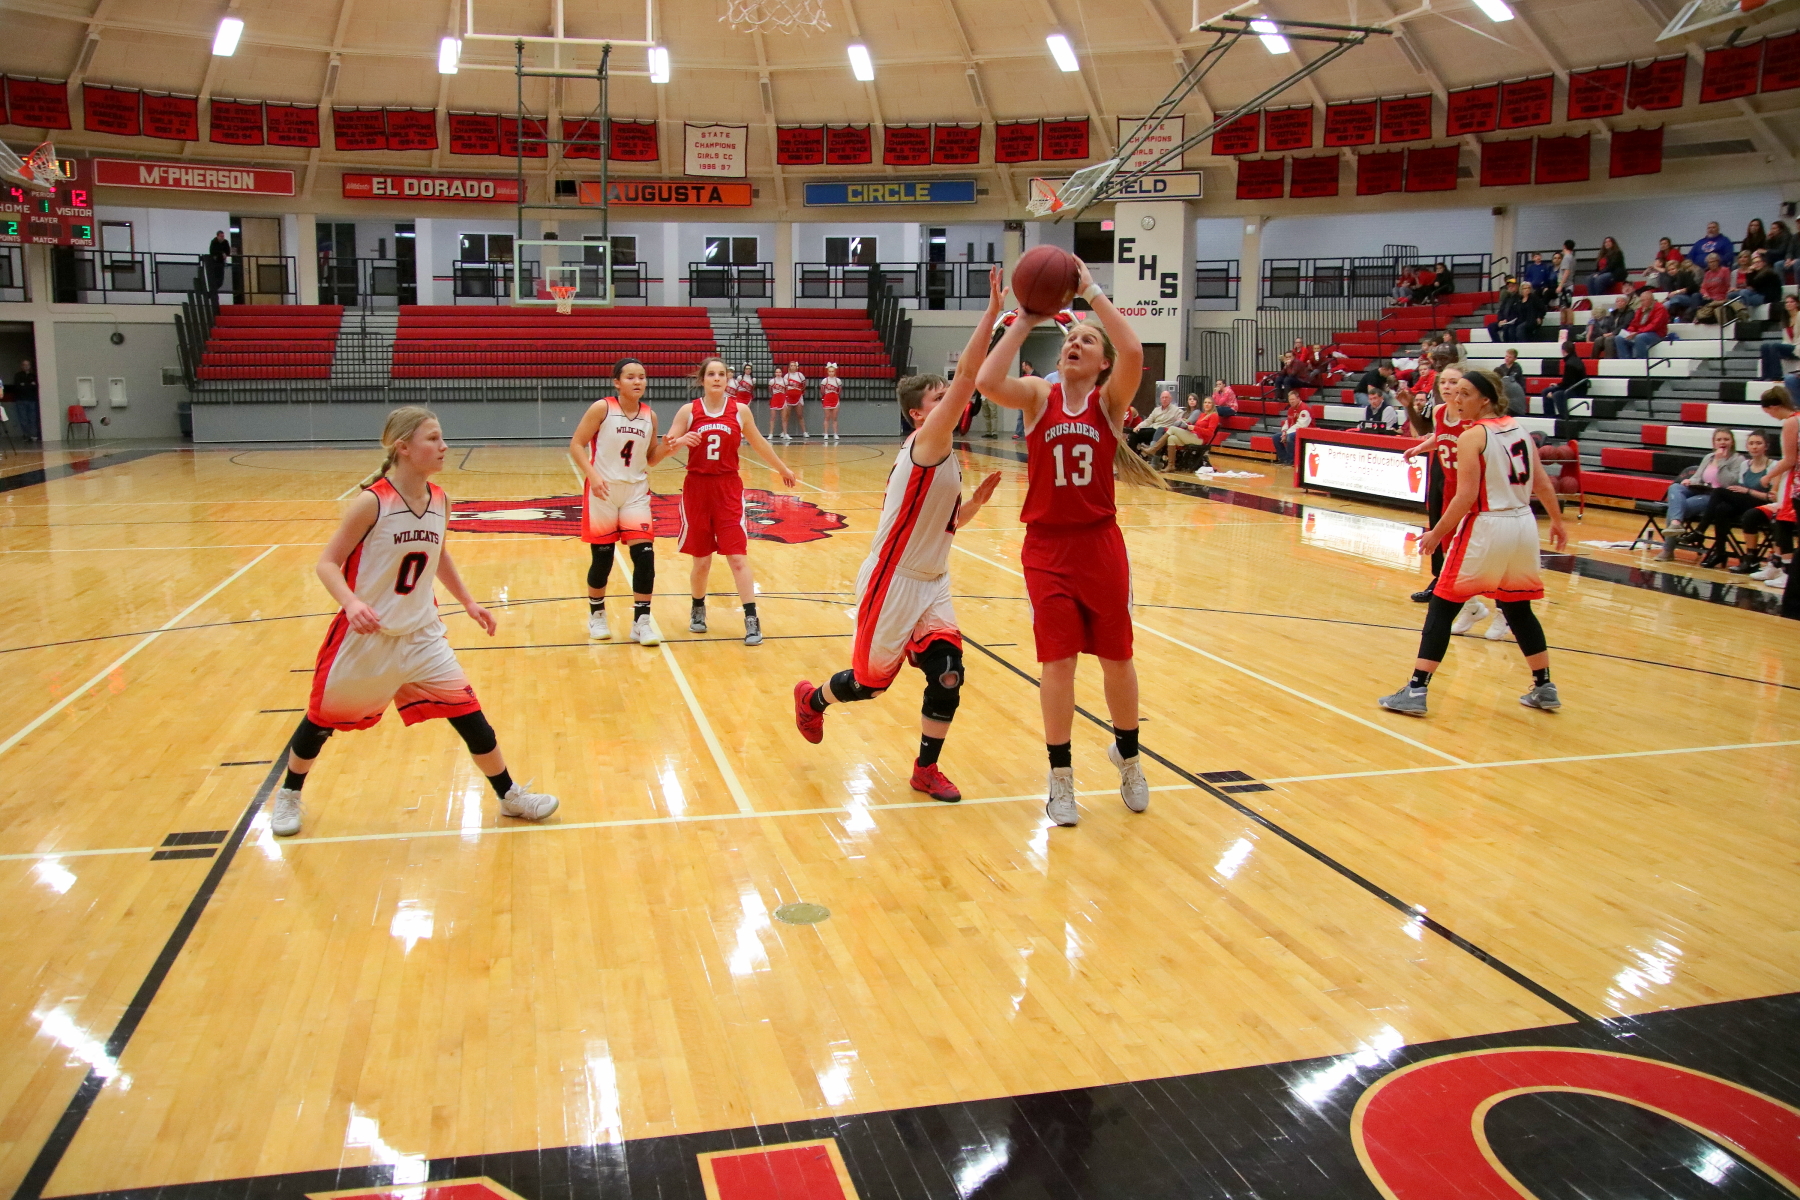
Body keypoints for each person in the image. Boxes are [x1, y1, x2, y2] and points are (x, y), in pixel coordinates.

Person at [271, 407, 558, 837]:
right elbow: (328, 563)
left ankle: (510, 796)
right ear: (402, 447)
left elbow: (439, 553)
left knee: (469, 713)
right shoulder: (372, 502)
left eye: (442, 438)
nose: (444, 447)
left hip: (423, 633)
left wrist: (468, 602)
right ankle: (289, 794)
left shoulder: (440, 498)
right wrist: (350, 604)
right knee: (322, 718)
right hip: (369, 635)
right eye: (433, 439)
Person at [792, 269, 1005, 802]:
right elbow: (970, 379)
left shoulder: (946, 456)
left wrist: (973, 506)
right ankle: (813, 699)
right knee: (869, 684)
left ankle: (925, 769)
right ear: (917, 413)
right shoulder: (925, 445)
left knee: (949, 675)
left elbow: (945, 528)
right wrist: (996, 316)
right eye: (938, 398)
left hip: (933, 580)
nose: (948, 404)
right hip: (893, 581)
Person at [976, 258, 1168, 829]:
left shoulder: (1110, 405)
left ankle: (1129, 758)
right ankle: (1061, 780)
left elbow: (1134, 353)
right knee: (1057, 663)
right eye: (1072, 339)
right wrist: (1024, 319)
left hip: (1100, 544)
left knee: (1117, 659)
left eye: (1088, 340)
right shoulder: (1039, 396)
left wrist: (1091, 293)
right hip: (1048, 548)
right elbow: (986, 382)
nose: (1077, 344)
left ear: (1101, 362)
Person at [1379, 368, 1568, 716]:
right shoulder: (1519, 429)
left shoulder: (1473, 436)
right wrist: (1556, 521)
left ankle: (1416, 690)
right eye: (1454, 392)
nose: (1456, 399)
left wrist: (1437, 533)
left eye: (1465, 393)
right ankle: (1544, 685)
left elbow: (1465, 497)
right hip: (1523, 527)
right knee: (1516, 606)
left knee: (1441, 605)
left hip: (1487, 525)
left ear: (1486, 399)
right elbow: (1541, 482)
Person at [663, 357, 799, 646]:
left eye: (721, 374)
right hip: (697, 489)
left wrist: (782, 468)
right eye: (711, 374)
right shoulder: (689, 411)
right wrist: (678, 441)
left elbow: (760, 443)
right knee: (701, 561)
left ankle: (751, 618)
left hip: (727, 489)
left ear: (728, 380)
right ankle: (698, 608)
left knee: (737, 556)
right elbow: (667, 444)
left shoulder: (740, 411)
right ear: (702, 379)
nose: (716, 378)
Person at [570, 359, 674, 646]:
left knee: (645, 556)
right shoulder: (602, 408)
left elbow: (650, 458)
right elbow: (576, 444)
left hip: (635, 492)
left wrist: (668, 448)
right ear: (617, 382)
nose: (638, 381)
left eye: (642, 376)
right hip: (603, 491)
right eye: (630, 377)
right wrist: (593, 475)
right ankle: (597, 614)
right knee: (602, 558)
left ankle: (641, 622)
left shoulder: (649, 416)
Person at [1402, 365, 1480, 607]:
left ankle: (1490, 601)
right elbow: (1441, 435)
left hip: (1469, 483)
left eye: (1453, 382)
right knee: (1442, 534)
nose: (1447, 386)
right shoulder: (1438, 411)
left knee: (1470, 543)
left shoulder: (1473, 416)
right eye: (1443, 382)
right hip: (1446, 478)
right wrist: (1419, 447)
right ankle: (1453, 591)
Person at [1694, 430, 1778, 569]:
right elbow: (1739, 488)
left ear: (1766, 446)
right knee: (1722, 509)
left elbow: (1772, 497)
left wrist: (1749, 491)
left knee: (1719, 492)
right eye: (1751, 443)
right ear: (1747, 446)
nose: (1754, 447)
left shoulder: (1773, 466)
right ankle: (1720, 552)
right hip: (1746, 502)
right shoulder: (1745, 465)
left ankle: (1700, 531)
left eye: (1758, 443)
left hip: (1764, 504)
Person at [1658, 428, 1745, 555]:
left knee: (1676, 507)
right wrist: (1690, 481)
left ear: (1732, 442)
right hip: (1699, 489)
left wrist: (1721, 462)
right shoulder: (1709, 457)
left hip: (1716, 496)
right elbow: (1698, 476)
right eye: (1719, 439)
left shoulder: (1738, 460)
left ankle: (1668, 549)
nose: (1722, 442)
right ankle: (1676, 523)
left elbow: (1729, 482)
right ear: (1714, 443)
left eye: (1726, 439)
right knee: (1675, 487)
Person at [1756, 385, 1799, 613]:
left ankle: (1788, 574)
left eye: (1768, 411)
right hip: (1794, 480)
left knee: (1784, 523)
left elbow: (1789, 459)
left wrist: (1768, 476)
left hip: (1797, 482)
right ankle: (1779, 566)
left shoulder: (1791, 422)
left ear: (1773, 406)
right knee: (1781, 522)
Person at [1154, 396, 1220, 471]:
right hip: (1194, 435)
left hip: (1201, 439)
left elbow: (1210, 433)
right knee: (1171, 438)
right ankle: (1171, 465)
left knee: (1172, 429)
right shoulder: (1202, 415)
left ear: (1212, 405)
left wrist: (1194, 428)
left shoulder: (1214, 415)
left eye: (1209, 403)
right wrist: (1188, 424)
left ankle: (1154, 448)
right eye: (1205, 402)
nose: (1207, 404)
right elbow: (1197, 427)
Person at [1615, 289, 1670, 359]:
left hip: (1656, 334)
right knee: (1619, 338)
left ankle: (1641, 360)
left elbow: (1654, 325)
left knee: (1640, 337)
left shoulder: (1660, 309)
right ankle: (1625, 360)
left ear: (1650, 300)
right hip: (1640, 332)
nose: (1641, 303)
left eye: (1643, 300)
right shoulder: (1640, 309)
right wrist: (1630, 331)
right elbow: (1634, 323)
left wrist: (1637, 332)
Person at [1542, 342, 1588, 419]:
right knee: (1548, 391)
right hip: (1577, 387)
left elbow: (1567, 383)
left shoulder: (1569, 363)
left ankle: (1560, 416)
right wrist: (1557, 385)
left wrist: (1555, 389)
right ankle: (1551, 416)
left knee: (1555, 394)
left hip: (1576, 389)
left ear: (1563, 351)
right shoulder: (1576, 360)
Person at [1761, 295, 1800, 380]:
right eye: (1787, 302)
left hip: (1798, 347)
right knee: (1765, 346)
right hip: (1791, 346)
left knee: (1775, 346)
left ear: (1797, 304)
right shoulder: (1786, 319)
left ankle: (1776, 375)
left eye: (1791, 302)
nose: (1789, 304)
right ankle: (1765, 376)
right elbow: (1786, 340)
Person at [1273, 394, 1311, 466]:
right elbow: (1287, 422)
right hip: (1292, 431)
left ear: (1298, 399)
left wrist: (1286, 434)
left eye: (1293, 399)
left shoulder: (1304, 409)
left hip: (1306, 431)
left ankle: (1292, 460)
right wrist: (1284, 432)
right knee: (1276, 437)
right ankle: (1284, 459)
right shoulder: (1290, 409)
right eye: (1290, 400)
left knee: (1290, 437)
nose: (1291, 401)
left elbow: (1301, 425)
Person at [9, 359, 39, 442]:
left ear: (30, 366)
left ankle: (34, 435)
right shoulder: (18, 376)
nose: (26, 366)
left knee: (32, 418)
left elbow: (35, 387)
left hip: (32, 400)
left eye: (28, 365)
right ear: (21, 366)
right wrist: (29, 385)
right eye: (24, 365)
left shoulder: (33, 376)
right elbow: (18, 387)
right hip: (21, 400)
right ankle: (26, 435)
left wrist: (25, 385)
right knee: (23, 419)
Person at [1012, 359, 1037, 439]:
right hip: (1023, 399)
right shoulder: (1023, 375)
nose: (1022, 368)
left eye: (1023, 366)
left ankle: (1032, 432)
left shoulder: (1036, 375)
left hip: (1032, 400)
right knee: (1020, 416)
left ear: (1027, 366)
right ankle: (1019, 432)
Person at [1495, 349, 1527, 413]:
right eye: (1506, 356)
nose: (1507, 358)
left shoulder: (1516, 367)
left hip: (1514, 390)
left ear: (1515, 359)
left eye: (1510, 357)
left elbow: (1511, 378)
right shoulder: (1502, 366)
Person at [819, 361, 842, 441]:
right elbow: (822, 391)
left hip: (835, 399)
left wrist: (835, 396)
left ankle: (835, 433)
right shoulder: (824, 381)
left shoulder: (838, 381)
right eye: (830, 371)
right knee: (827, 417)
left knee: (835, 418)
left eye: (832, 371)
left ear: (835, 372)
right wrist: (824, 398)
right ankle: (826, 433)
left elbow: (839, 391)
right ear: (827, 372)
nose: (831, 373)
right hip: (827, 399)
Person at [206, 229, 230, 294]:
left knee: (220, 280)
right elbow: (212, 252)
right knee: (214, 278)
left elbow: (228, 252)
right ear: (217, 236)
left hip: (221, 262)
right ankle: (212, 291)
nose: (222, 238)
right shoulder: (214, 242)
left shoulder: (225, 242)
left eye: (223, 236)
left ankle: (213, 291)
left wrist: (221, 254)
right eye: (221, 236)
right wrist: (222, 253)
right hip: (214, 263)